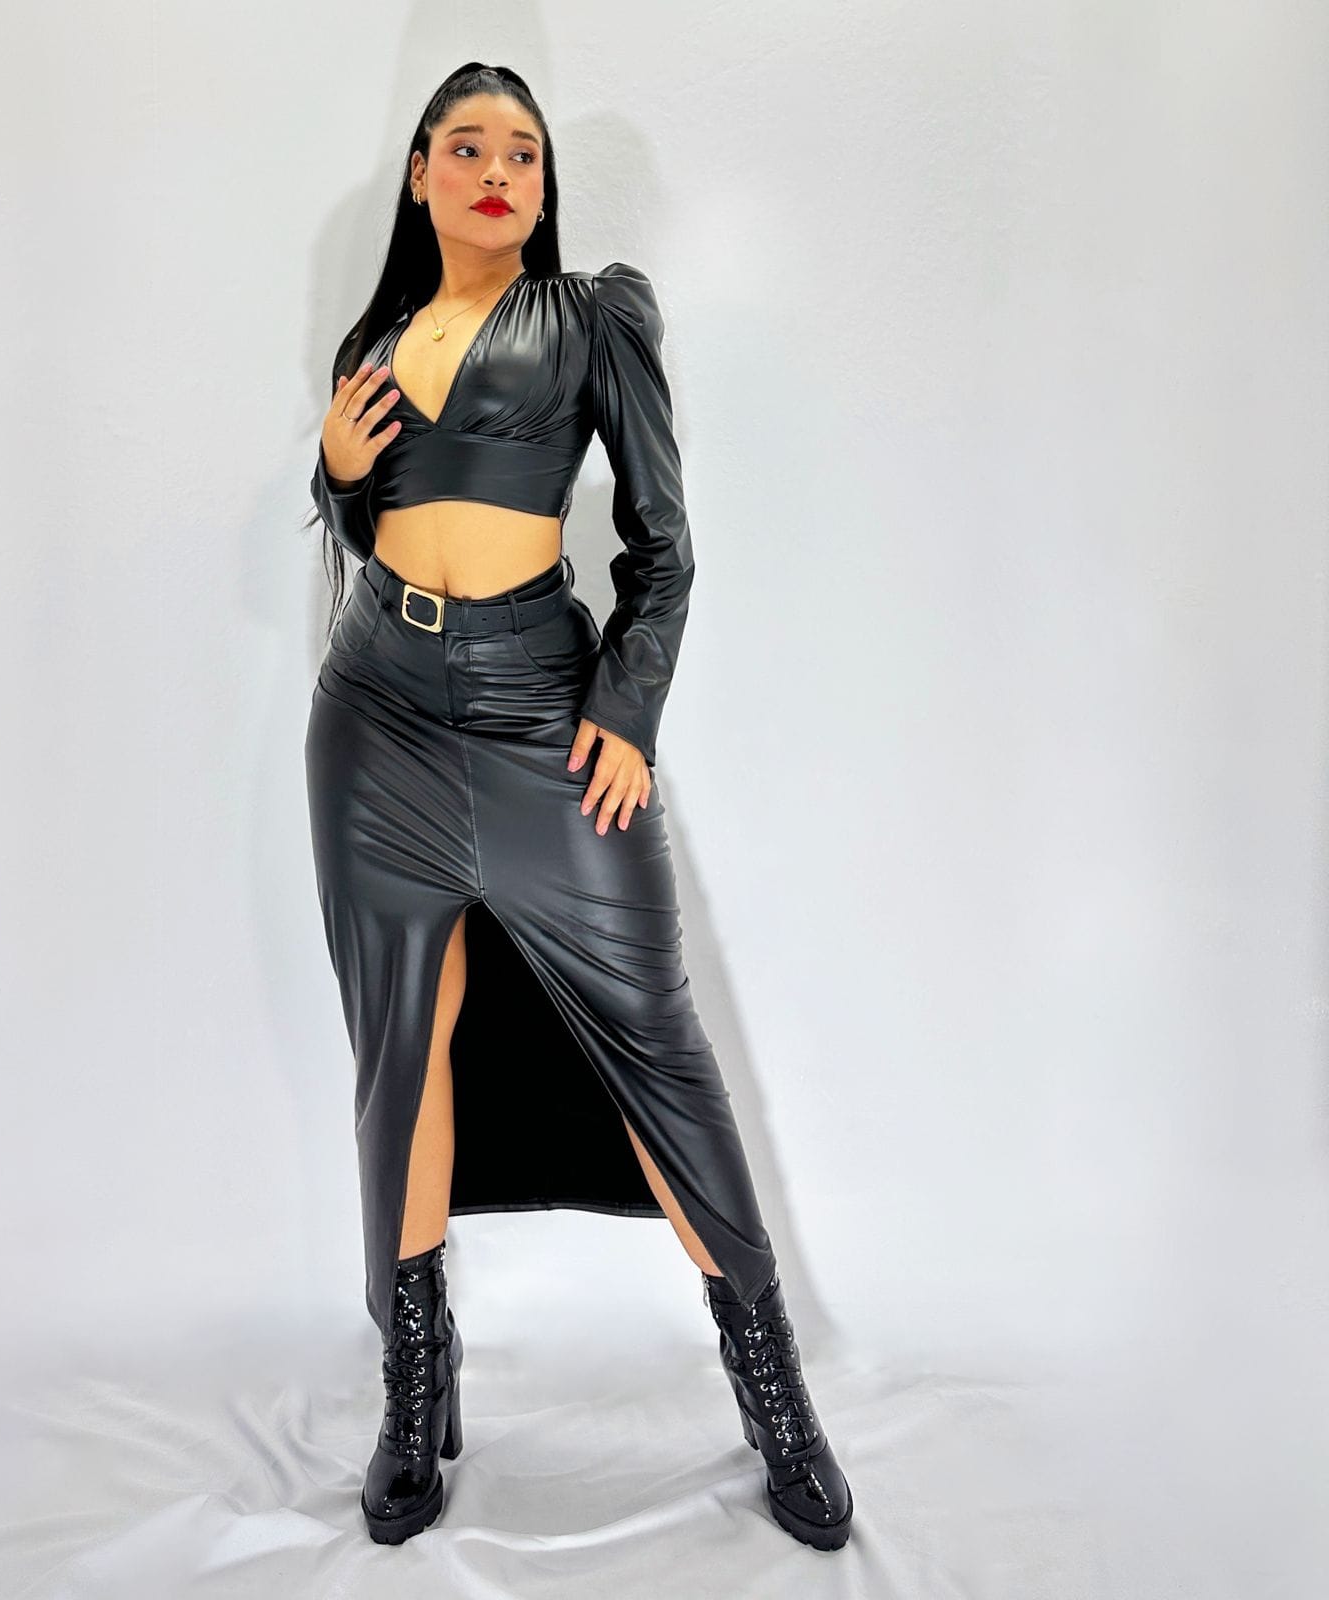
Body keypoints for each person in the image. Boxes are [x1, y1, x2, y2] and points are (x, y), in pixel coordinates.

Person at [303, 62, 853, 1552]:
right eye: (467, 147)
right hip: (374, 718)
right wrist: (337, 474)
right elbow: (368, 525)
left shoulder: (591, 318)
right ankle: (416, 1388)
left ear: (543, 188)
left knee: (656, 1044)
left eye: (524, 154)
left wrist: (625, 707)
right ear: (420, 174)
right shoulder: (372, 347)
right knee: (401, 1050)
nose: (498, 171)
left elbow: (664, 546)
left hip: (540, 708)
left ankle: (777, 1400)